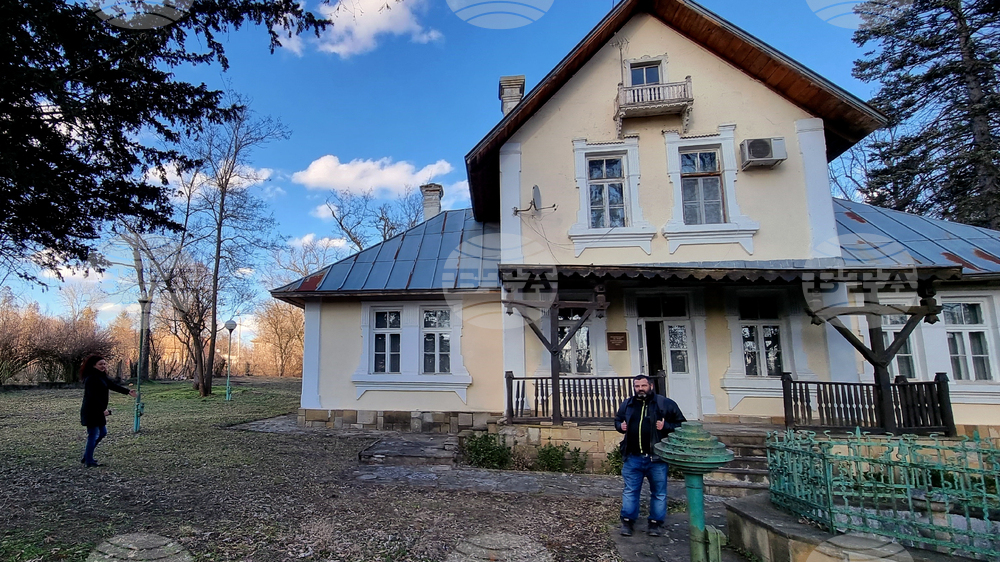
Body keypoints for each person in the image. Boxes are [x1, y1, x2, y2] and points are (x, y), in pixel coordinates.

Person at [614, 374, 686, 537]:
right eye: (637, 386)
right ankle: (627, 522)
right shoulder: (628, 404)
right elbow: (617, 420)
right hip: (633, 457)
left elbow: (681, 424)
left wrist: (666, 425)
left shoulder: (664, 404)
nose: (640, 389)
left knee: (659, 492)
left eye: (643, 386)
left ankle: (655, 523)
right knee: (630, 491)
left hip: (657, 458)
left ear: (651, 386)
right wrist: (620, 426)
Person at [79, 355, 136, 467]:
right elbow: (93, 397)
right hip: (91, 411)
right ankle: (89, 461)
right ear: (93, 365)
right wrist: (102, 410)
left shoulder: (102, 376)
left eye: (104, 364)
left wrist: (128, 392)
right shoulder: (91, 378)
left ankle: (87, 456)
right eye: (100, 364)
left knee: (102, 432)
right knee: (93, 434)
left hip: (98, 410)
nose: (103, 366)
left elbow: (112, 386)